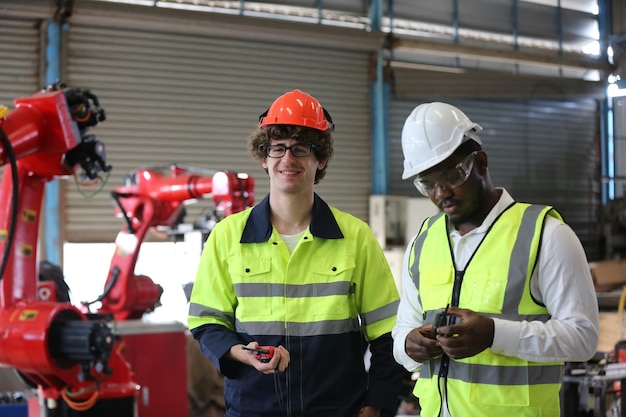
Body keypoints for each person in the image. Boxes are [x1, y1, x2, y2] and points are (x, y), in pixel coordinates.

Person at [188, 89, 405, 417]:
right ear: (264, 157)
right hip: (253, 410)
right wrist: (241, 352)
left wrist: (376, 406)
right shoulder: (227, 237)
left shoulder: (356, 238)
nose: (288, 159)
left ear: (321, 159)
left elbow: (389, 334)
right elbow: (206, 322)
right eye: (277, 148)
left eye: (301, 148)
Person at [391, 102, 600, 417]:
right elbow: (402, 327)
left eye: (451, 175)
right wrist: (408, 346)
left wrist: (495, 335)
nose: (440, 193)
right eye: (428, 184)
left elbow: (583, 338)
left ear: (481, 163)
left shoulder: (546, 235)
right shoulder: (423, 242)